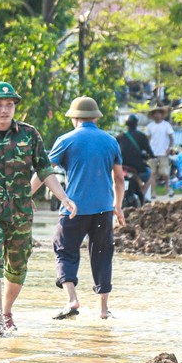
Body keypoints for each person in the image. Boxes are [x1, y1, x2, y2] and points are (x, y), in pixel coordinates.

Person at [0, 81, 76, 337]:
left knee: (17, 266)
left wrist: (64, 198)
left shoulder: (29, 134)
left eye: (9, 105)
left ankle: (8, 309)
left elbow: (45, 169)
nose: (4, 110)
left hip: (21, 213)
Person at [45, 97, 125, 320]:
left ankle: (72, 299)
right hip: (103, 209)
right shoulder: (111, 142)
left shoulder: (66, 140)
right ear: (96, 117)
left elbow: (44, 172)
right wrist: (118, 206)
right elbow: (119, 178)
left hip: (74, 209)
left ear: (74, 118)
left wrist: (25, 196)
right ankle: (103, 309)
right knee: (102, 254)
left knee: (64, 249)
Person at [145, 105, 174, 200]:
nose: (157, 115)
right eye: (155, 113)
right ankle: (153, 192)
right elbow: (147, 140)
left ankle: (167, 187)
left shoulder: (166, 125)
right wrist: (146, 150)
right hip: (152, 153)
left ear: (162, 115)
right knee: (152, 173)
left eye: (159, 113)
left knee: (164, 172)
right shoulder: (150, 126)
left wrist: (169, 148)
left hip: (163, 153)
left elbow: (171, 138)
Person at [116, 113, 154, 187]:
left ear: (126, 124)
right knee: (149, 174)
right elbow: (149, 151)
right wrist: (151, 156)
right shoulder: (141, 136)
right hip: (137, 166)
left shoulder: (119, 136)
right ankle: (142, 195)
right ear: (136, 123)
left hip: (121, 165)